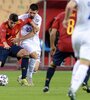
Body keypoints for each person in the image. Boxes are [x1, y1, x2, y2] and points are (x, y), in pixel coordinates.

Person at [43, 10, 77, 93]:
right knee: (84, 64)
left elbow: (52, 33)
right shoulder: (80, 15)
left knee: (53, 64)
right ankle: (82, 83)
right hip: (75, 44)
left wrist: (52, 46)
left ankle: (46, 85)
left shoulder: (61, 15)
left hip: (63, 45)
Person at [0, 13, 38, 86]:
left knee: (25, 54)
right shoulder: (3, 25)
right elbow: (3, 38)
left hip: (12, 46)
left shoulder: (19, 22)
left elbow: (28, 20)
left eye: (14, 23)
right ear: (8, 20)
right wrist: (5, 44)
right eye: (11, 23)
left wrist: (34, 25)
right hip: (2, 46)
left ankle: (23, 79)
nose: (13, 25)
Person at [63, 0, 90, 100]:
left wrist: (66, 20)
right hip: (88, 35)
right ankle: (73, 89)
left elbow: (70, 6)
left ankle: (72, 85)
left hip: (76, 34)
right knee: (85, 63)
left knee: (79, 60)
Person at [14, 3, 42, 85]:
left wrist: (31, 22)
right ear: (28, 10)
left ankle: (22, 77)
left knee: (35, 68)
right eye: (30, 12)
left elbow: (34, 32)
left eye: (34, 13)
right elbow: (13, 25)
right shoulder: (21, 17)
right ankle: (29, 78)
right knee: (34, 55)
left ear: (37, 12)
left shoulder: (38, 18)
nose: (32, 14)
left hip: (35, 42)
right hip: (25, 41)